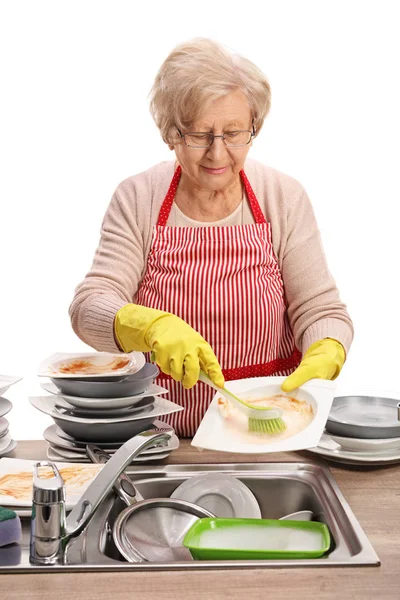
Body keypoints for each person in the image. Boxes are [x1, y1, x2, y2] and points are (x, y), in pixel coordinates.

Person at [69, 38, 353, 437]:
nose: (218, 154)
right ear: (171, 133)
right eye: (199, 135)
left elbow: (322, 310)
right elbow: (87, 307)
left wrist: (328, 348)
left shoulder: (282, 197)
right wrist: (148, 326)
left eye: (235, 133)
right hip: (161, 438)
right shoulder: (138, 198)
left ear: (255, 127)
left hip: (267, 430)